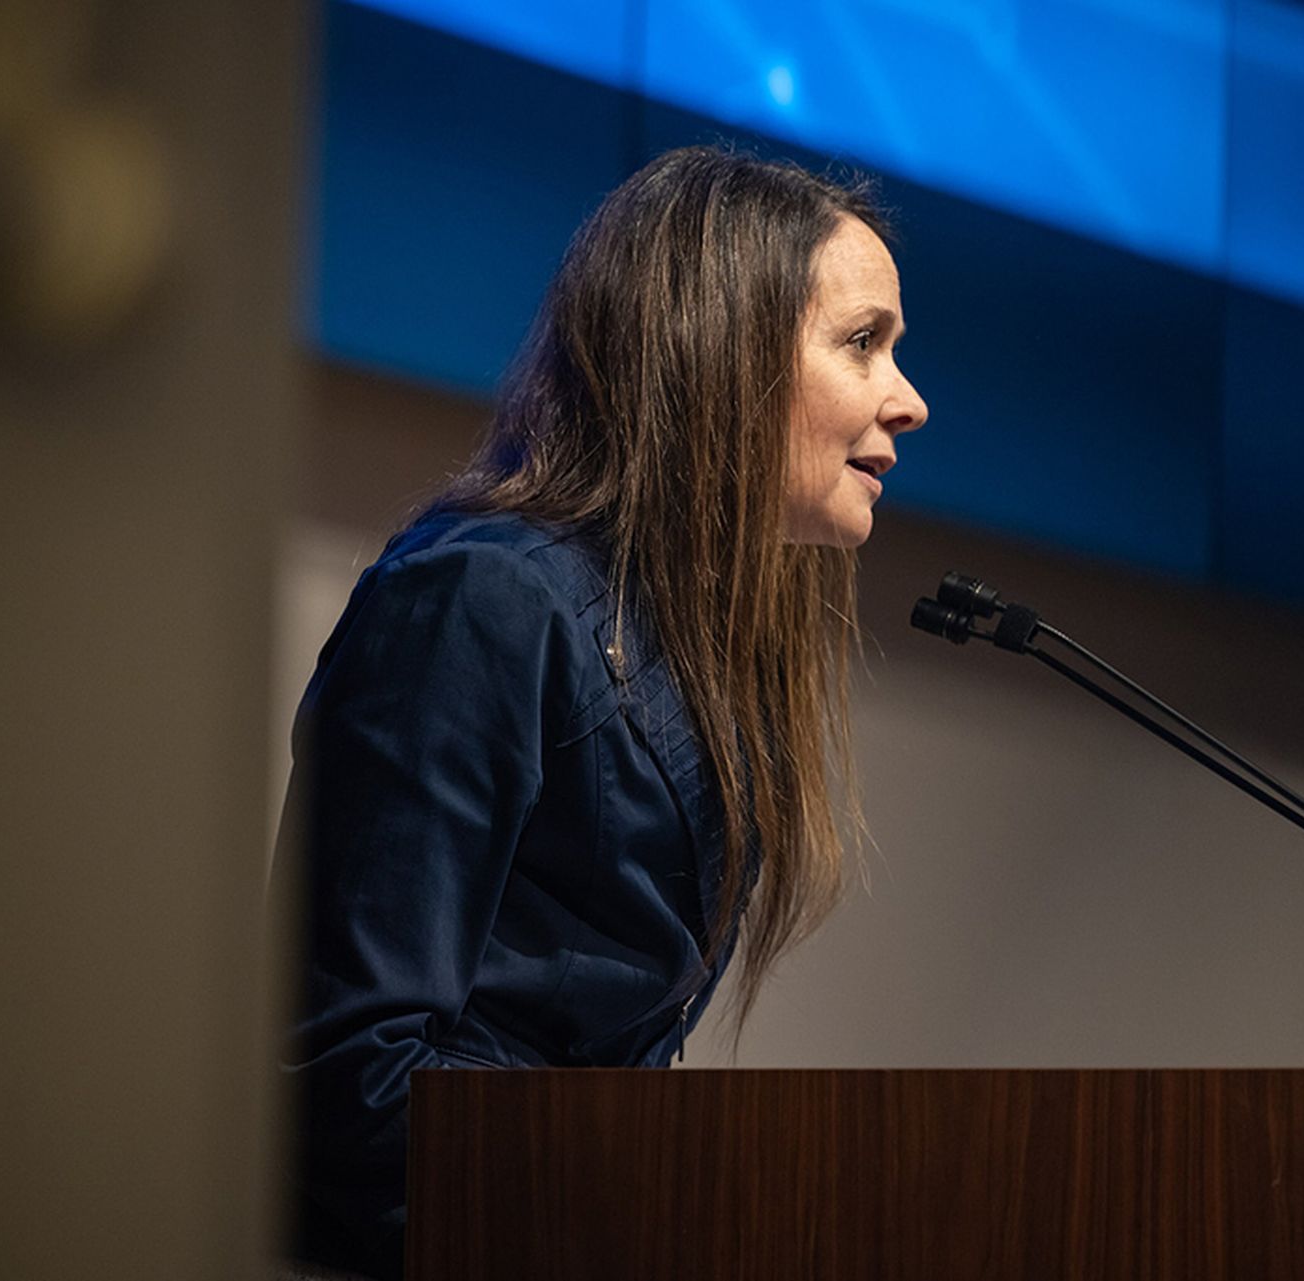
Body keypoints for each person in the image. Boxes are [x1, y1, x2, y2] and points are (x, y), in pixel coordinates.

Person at [274, 146, 927, 1280]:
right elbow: (344, 1072)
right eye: (863, 343)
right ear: (723, 351)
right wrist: (665, 1203)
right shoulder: (484, 596)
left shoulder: (691, 645)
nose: (908, 401)